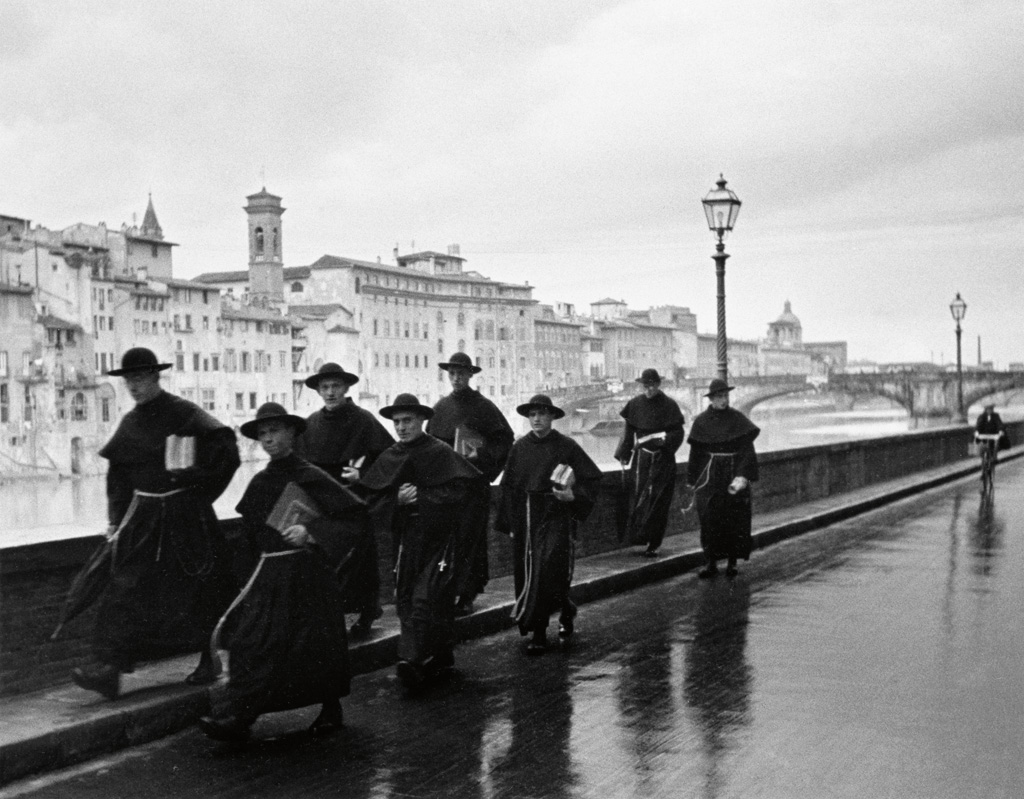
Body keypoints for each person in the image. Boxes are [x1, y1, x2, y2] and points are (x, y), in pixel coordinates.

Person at [71, 348, 240, 700]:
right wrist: (115, 521)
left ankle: (209, 659)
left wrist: (197, 485)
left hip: (185, 519)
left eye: (141, 378)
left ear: (155, 377)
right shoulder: (130, 423)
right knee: (124, 588)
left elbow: (227, 450)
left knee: (197, 590)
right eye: (129, 380)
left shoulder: (184, 412)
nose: (135, 386)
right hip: (143, 521)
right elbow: (118, 479)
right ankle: (108, 670)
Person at [198, 403, 358, 742]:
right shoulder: (260, 481)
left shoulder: (310, 475)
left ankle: (330, 709)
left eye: (275, 431)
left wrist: (312, 532)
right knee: (255, 642)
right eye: (263, 434)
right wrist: (242, 574)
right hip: (270, 575)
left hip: (307, 574)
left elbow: (353, 517)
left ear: (292, 433)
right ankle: (240, 716)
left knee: (315, 645)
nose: (269, 439)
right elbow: (249, 534)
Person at [359, 393, 480, 693]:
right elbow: (370, 500)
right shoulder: (391, 456)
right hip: (408, 540)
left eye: (407, 421)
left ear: (421, 420)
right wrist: (394, 499)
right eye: (397, 422)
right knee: (407, 599)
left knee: (427, 598)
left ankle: (412, 659)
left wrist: (423, 497)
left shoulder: (440, 452)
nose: (401, 427)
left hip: (440, 541)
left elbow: (463, 491)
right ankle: (436, 656)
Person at [496, 395, 603, 655]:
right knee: (532, 572)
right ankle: (561, 612)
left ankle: (541, 631)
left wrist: (572, 496)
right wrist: (510, 522)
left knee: (547, 569)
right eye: (532, 414)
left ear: (552, 417)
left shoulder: (567, 446)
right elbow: (509, 488)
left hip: (556, 515)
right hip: (527, 517)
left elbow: (592, 478)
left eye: (542, 414)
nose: (537, 419)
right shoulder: (519, 448)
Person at [298, 362, 394, 638]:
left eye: (335, 386)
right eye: (325, 387)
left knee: (360, 564)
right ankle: (332, 616)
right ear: (318, 390)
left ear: (346, 388)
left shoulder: (363, 420)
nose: (330, 392)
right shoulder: (310, 425)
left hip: (353, 503)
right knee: (326, 564)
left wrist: (362, 474)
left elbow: (390, 458)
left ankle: (366, 613)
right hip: (323, 507)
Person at [427, 352, 514, 615]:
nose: (456, 378)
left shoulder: (484, 406)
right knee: (447, 539)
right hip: (447, 487)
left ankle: (467, 593)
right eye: (452, 373)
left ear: (470, 375)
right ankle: (447, 589)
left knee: (470, 540)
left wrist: (482, 456)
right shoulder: (440, 407)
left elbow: (504, 439)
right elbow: (431, 444)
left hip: (473, 487)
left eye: (461, 374)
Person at [687, 378, 760, 579]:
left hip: (732, 473)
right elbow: (696, 453)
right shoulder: (701, 421)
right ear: (711, 399)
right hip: (710, 476)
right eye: (719, 396)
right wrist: (692, 478)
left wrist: (743, 475)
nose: (723, 400)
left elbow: (747, 451)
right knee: (709, 519)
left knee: (734, 518)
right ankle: (710, 562)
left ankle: (732, 562)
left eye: (725, 396)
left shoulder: (738, 419)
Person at [614, 368, 686, 557]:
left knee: (659, 501)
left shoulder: (670, 405)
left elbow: (678, 433)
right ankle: (639, 537)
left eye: (652, 385)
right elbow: (629, 432)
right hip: (641, 461)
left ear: (658, 384)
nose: (649, 389)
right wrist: (624, 454)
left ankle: (654, 543)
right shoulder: (635, 404)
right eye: (646, 386)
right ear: (642, 386)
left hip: (663, 460)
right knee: (638, 498)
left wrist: (665, 443)